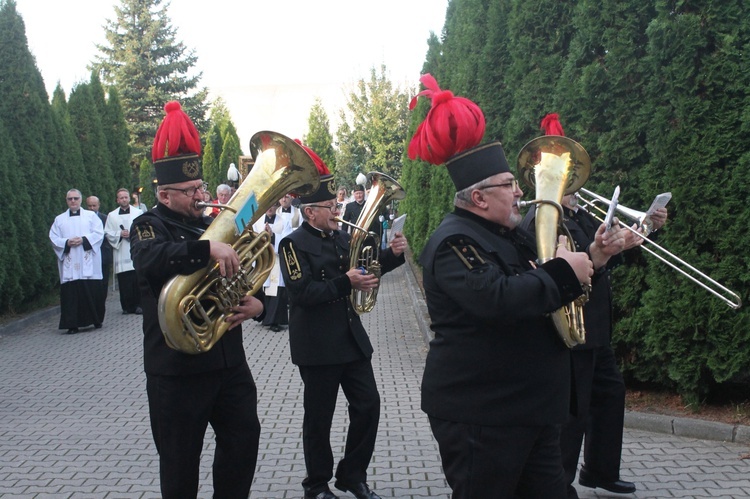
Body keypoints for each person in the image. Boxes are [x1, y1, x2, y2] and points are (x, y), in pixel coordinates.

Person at [409, 74, 594, 498]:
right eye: (509, 184)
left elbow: (547, 279)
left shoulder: (508, 234)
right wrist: (564, 272)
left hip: (528, 408)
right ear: (478, 198)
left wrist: (595, 257)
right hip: (483, 414)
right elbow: (498, 299)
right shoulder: (454, 241)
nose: (519, 192)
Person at [520, 113, 669, 499]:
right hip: (568, 331)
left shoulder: (580, 215)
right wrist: (598, 254)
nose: (571, 185)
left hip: (596, 326)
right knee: (572, 411)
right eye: (562, 175)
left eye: (570, 174)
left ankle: (599, 470)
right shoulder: (539, 219)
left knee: (609, 395)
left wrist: (637, 235)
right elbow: (558, 269)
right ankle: (559, 482)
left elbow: (597, 261)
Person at [130, 101, 265, 499]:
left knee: (244, 443)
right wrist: (205, 251)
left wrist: (258, 306)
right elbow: (150, 261)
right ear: (165, 193)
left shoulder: (210, 224)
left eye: (199, 188)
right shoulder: (147, 226)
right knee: (179, 464)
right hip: (176, 370)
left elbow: (242, 274)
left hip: (227, 362)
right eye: (190, 191)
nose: (199, 196)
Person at [279, 144, 409, 499]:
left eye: (337, 205)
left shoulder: (339, 236)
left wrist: (392, 257)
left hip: (350, 339)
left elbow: (363, 269)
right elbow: (302, 292)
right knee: (319, 420)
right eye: (331, 207)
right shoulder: (292, 245)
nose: (338, 210)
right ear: (310, 213)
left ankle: (352, 474)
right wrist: (345, 282)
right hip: (317, 345)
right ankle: (316, 485)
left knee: (369, 406)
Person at [49, 189, 105, 334]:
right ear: (66, 201)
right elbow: (54, 238)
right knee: (71, 294)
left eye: (75, 198)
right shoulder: (59, 219)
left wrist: (84, 240)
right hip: (70, 264)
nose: (73, 201)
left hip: (88, 263)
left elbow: (99, 233)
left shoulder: (91, 216)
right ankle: (72, 324)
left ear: (80, 200)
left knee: (90, 291)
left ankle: (95, 319)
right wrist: (66, 242)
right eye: (70, 199)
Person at [105, 188, 143, 315]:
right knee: (124, 281)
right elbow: (108, 232)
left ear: (129, 198)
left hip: (135, 249)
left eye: (126, 197)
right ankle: (127, 306)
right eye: (121, 198)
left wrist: (132, 234)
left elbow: (144, 228)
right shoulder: (112, 215)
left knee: (137, 279)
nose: (124, 199)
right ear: (117, 200)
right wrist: (120, 234)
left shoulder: (138, 212)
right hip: (121, 249)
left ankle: (139, 305)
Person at [252, 201, 287, 331]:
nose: (270, 208)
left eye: (272, 206)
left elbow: (286, 238)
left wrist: (272, 237)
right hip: (262, 259)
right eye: (267, 206)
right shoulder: (257, 221)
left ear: (276, 207)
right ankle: (265, 317)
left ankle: (275, 321)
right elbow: (252, 237)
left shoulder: (283, 221)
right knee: (263, 288)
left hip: (275, 260)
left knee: (276, 289)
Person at [86, 195, 113, 323]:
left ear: (99, 205)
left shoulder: (105, 218)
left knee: (103, 284)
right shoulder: (83, 219)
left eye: (94, 206)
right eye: (89, 206)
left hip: (103, 256)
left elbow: (109, 236)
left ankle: (100, 309)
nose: (92, 208)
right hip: (88, 257)